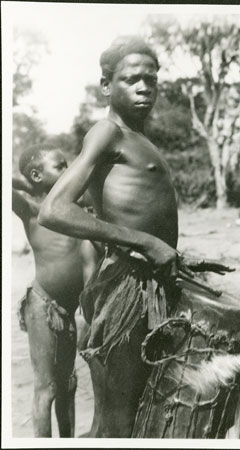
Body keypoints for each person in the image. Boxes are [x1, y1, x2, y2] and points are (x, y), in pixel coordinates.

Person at [38, 36, 204, 438]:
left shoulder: (141, 141)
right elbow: (54, 209)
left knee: (148, 410)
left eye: (151, 78)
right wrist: (144, 242)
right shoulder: (106, 132)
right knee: (117, 423)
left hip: (157, 285)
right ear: (107, 86)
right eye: (132, 79)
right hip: (126, 291)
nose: (145, 86)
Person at [12, 144, 97, 437]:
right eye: (59, 166)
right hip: (42, 306)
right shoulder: (34, 211)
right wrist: (23, 182)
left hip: (69, 312)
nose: (67, 168)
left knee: (68, 385)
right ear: (36, 175)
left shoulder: (76, 207)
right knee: (46, 389)